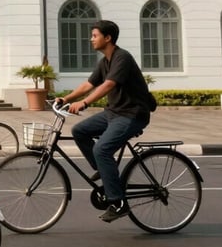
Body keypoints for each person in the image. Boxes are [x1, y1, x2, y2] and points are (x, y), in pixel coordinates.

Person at [55, 19, 155, 222]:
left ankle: (118, 203)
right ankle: (103, 170)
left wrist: (84, 103)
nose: (90, 39)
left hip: (132, 114)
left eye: (94, 35)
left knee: (102, 150)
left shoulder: (122, 58)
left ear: (107, 38)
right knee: (79, 131)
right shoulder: (104, 61)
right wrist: (66, 99)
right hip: (114, 113)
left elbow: (108, 85)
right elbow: (89, 84)